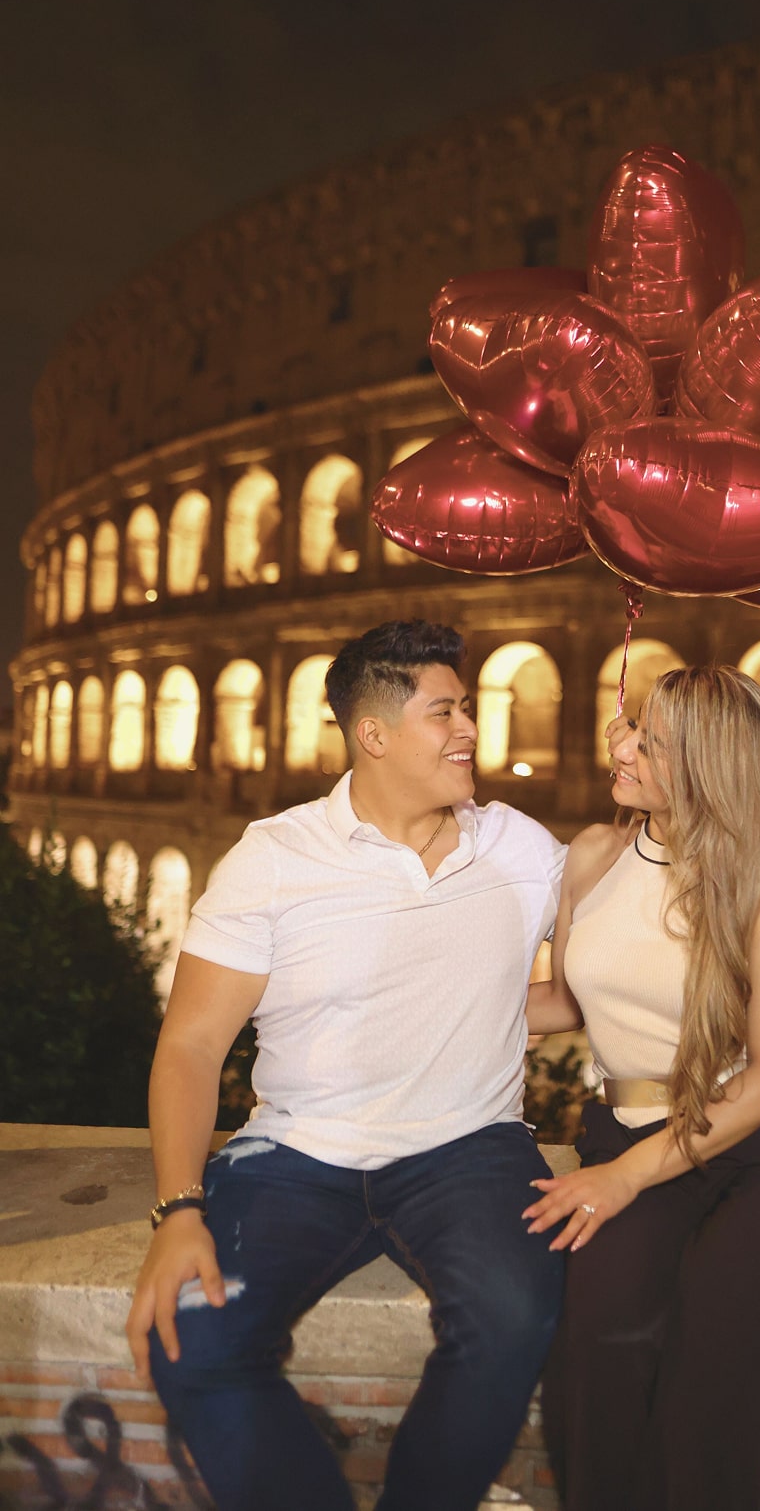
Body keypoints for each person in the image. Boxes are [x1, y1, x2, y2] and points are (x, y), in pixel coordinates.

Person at [126, 620, 567, 1511]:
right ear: (373, 734)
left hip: (469, 1149)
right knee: (192, 1343)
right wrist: (179, 1209)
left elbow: (610, 980)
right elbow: (192, 1046)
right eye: (445, 712)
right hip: (295, 1154)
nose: (471, 732)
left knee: (515, 1319)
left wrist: (501, 1015)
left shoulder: (521, 849)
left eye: (468, 710)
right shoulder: (275, 858)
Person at [523, 665, 760, 1511]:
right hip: (625, 1132)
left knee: (714, 1377)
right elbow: (568, 997)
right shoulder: (595, 853)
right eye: (631, 725)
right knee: (595, 1363)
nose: (620, 744)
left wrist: (626, 1177)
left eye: (650, 741)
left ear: (704, 765)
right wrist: (432, 1008)